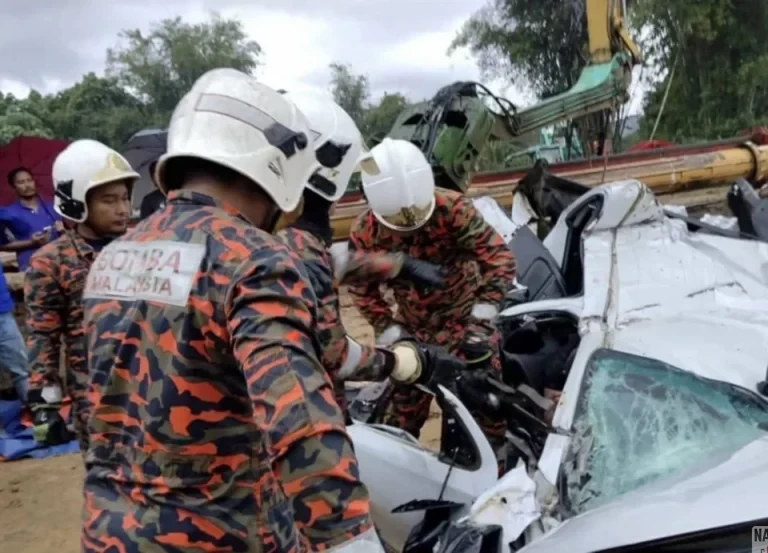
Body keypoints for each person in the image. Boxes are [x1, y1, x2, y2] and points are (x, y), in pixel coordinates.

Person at [80, 68, 388, 553]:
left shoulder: (111, 258)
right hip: (220, 533)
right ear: (277, 168)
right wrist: (351, 540)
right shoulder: (253, 259)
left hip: (108, 532)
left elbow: (98, 409)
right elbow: (297, 420)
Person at [277, 90, 448, 416]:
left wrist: (399, 264)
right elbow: (338, 357)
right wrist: (407, 361)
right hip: (307, 420)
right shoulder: (300, 248)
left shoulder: (265, 235)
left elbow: (337, 264)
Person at [348, 138, 517, 467]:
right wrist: (392, 333)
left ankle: (493, 476)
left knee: (486, 407)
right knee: (397, 423)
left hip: (466, 323)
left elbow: (500, 260)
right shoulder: (366, 232)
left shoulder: (453, 210)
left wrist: (479, 325)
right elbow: (360, 287)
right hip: (414, 332)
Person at [24, 140, 137, 450]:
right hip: (96, 396)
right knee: (107, 479)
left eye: (125, 198)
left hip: (151, 386)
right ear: (77, 203)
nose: (122, 209)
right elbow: (42, 336)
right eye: (109, 200)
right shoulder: (51, 262)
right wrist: (45, 403)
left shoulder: (143, 249)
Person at [2, 167, 64, 271]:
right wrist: (31, 243)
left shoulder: (51, 207)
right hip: (31, 268)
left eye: (29, 180)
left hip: (59, 264)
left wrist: (63, 231)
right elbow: (3, 246)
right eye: (21, 182)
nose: (27, 185)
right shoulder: (8, 213)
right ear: (13, 187)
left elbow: (66, 237)